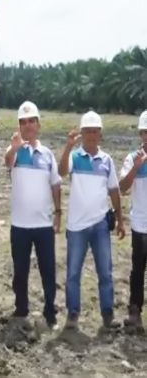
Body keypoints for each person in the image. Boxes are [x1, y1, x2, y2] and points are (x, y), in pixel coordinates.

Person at [58, 111, 125, 330]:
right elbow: (61, 171)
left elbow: (114, 190)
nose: (91, 135)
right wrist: (68, 147)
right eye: (88, 131)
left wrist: (120, 219)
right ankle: (73, 314)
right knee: (73, 273)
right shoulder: (75, 158)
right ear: (82, 133)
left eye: (95, 131)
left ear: (100, 134)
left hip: (100, 225)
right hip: (77, 225)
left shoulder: (106, 161)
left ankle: (107, 315)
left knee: (105, 271)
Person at [4, 102, 61, 328]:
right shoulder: (16, 153)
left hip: (44, 224)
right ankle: (21, 308)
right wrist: (14, 147)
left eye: (31, 121)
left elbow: (56, 185)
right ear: (19, 126)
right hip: (20, 225)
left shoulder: (47, 154)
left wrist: (58, 212)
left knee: (48, 269)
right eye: (23, 122)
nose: (28, 126)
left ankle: (50, 311)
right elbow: (8, 161)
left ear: (38, 124)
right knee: (20, 271)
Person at [121, 110, 147, 328]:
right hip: (140, 225)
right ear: (141, 134)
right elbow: (122, 187)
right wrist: (137, 168)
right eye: (146, 132)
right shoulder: (132, 158)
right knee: (137, 270)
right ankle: (135, 310)